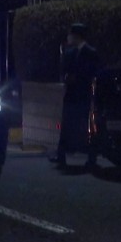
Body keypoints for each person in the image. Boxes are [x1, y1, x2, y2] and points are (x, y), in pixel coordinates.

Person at [50, 23, 101, 169]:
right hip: (71, 94)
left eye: (70, 35)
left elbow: (93, 73)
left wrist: (77, 78)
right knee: (66, 125)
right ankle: (61, 156)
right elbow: (63, 70)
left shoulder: (91, 53)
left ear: (76, 36)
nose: (68, 37)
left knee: (87, 127)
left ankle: (91, 158)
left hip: (84, 94)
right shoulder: (69, 52)